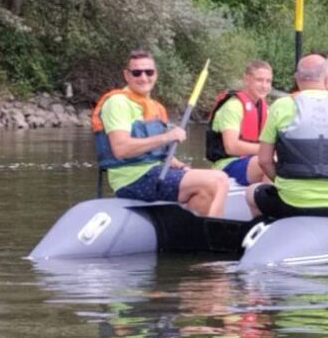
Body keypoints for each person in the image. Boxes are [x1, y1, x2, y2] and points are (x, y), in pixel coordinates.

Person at [91, 50, 229, 217]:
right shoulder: (118, 103)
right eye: (136, 73)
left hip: (155, 172)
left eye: (149, 72)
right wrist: (167, 137)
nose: (143, 77)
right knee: (219, 179)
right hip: (133, 181)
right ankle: (215, 236)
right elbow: (121, 149)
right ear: (127, 76)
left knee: (205, 191)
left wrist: (178, 164)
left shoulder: (156, 107)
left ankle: (193, 235)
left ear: (155, 74)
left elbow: (158, 153)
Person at [247, 54, 328, 220]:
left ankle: (266, 232)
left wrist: (282, 181)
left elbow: (264, 160)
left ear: (297, 79)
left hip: (291, 203)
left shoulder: (281, 105)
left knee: (251, 192)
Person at [205, 59, 273, 186]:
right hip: (227, 164)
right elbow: (231, 147)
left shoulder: (265, 109)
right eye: (259, 80)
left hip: (252, 160)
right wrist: (268, 150)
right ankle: (269, 202)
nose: (264, 86)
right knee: (268, 163)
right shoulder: (233, 106)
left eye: (268, 81)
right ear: (247, 80)